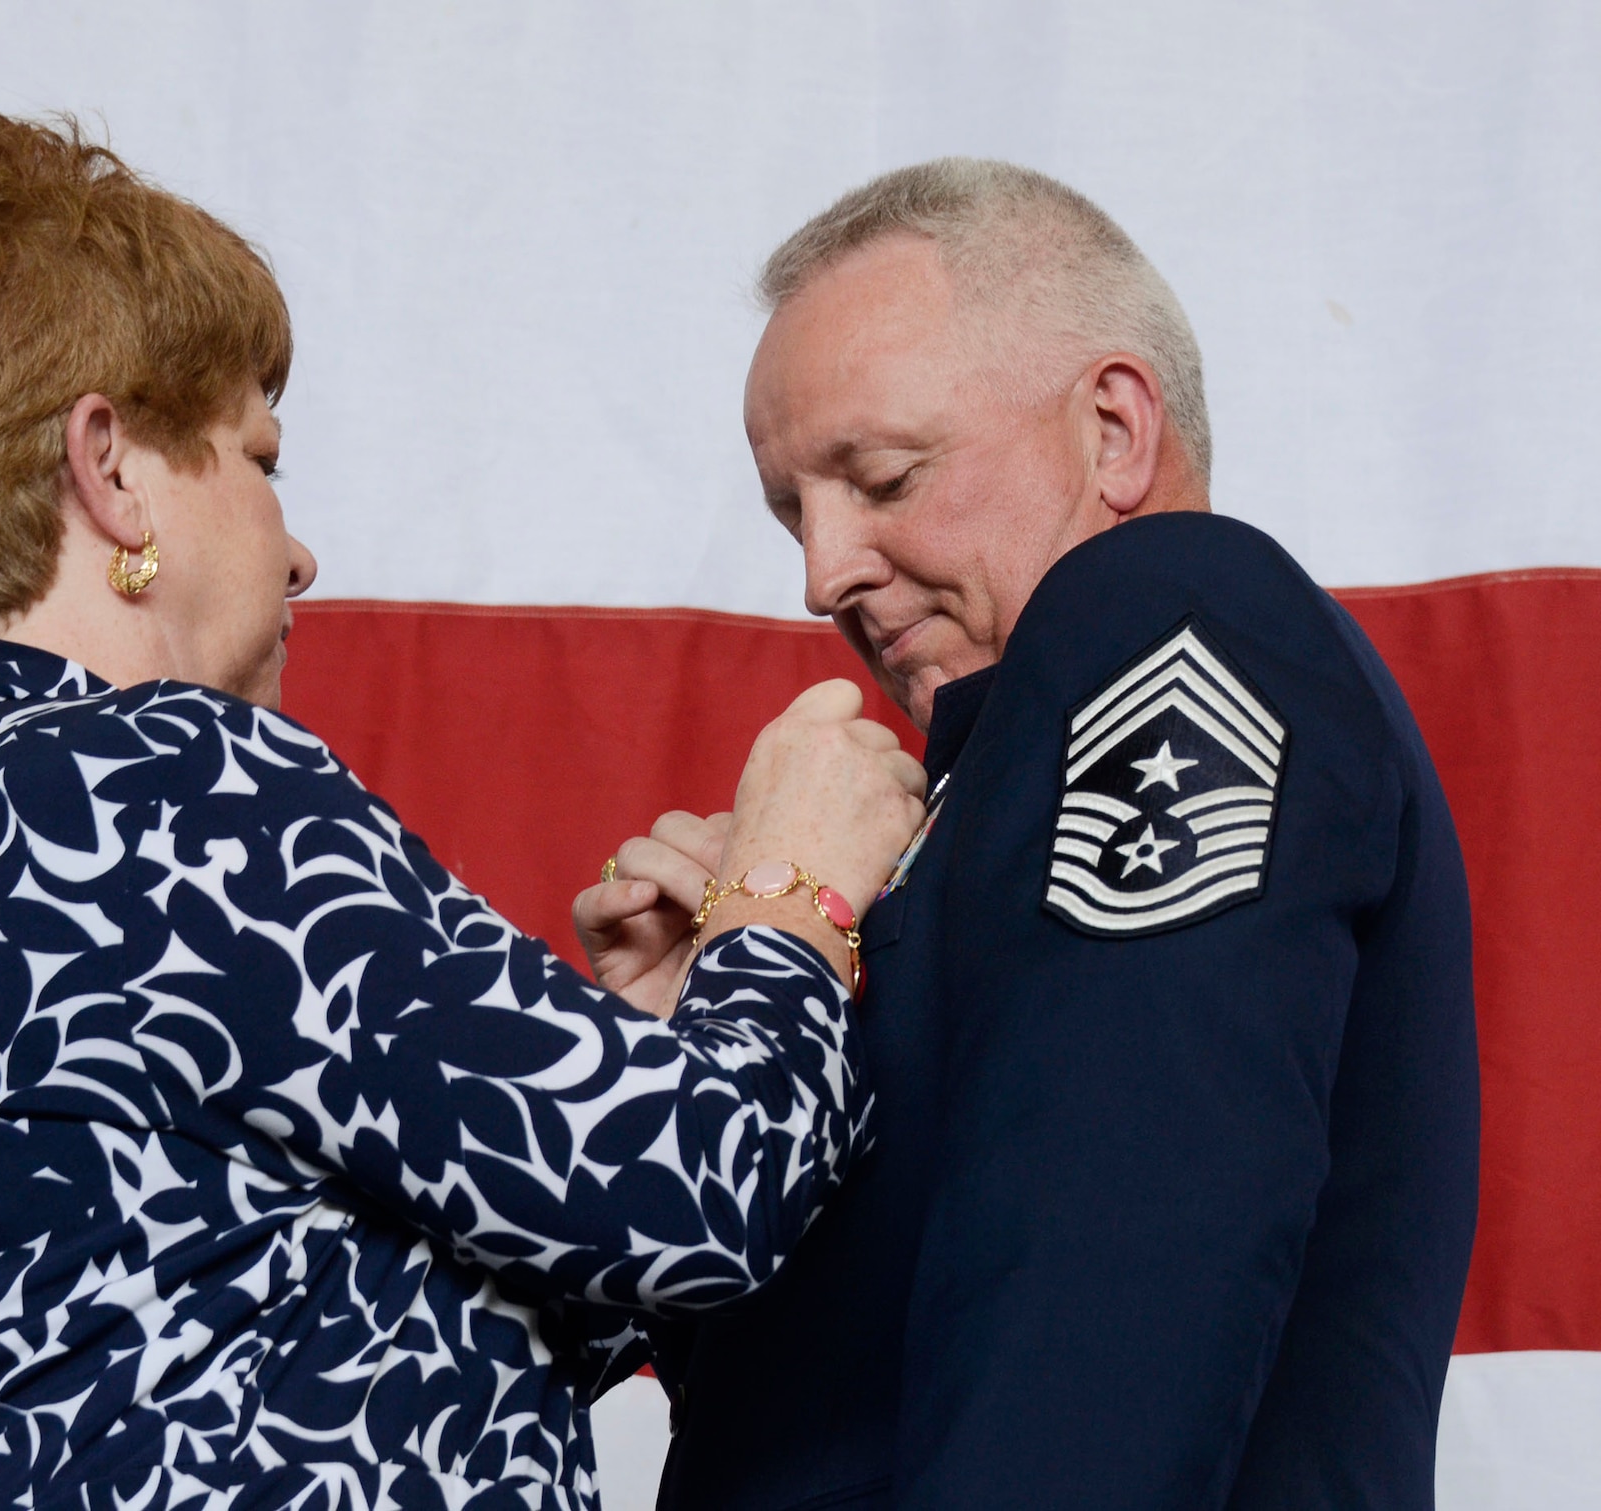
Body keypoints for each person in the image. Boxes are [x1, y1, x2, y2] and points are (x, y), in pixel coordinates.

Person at [0, 110, 927, 1511]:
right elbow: (692, 1196)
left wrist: (677, 1039)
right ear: (108, 469)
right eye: (256, 458)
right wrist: (793, 900)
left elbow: (289, 1332)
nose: (298, 552)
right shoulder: (159, 780)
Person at [578, 160, 1479, 1508]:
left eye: (880, 476)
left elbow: (1116, 1271)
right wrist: (721, 1051)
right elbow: (838, 1400)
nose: (826, 573)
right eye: (794, 512)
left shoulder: (1171, 611)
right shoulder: (975, 822)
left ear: (1113, 429)